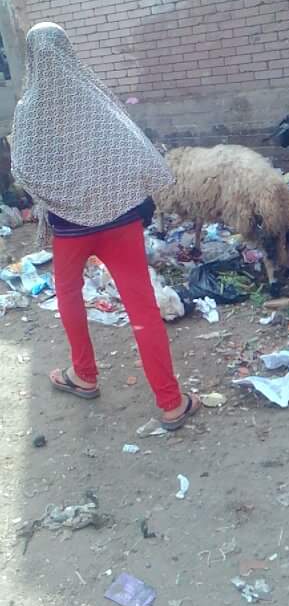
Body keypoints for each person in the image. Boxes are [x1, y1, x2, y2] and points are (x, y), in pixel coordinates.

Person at [11, 22, 199, 431]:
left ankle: (84, 375)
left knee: (69, 297)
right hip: (120, 222)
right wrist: (126, 189)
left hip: (68, 229)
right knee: (143, 308)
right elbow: (134, 147)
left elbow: (23, 171)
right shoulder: (95, 97)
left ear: (32, 56)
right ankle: (171, 403)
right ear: (68, 49)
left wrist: (62, 198)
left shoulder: (28, 109)